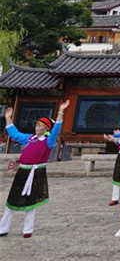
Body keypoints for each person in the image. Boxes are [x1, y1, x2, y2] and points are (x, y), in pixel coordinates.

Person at [0, 100, 70, 238]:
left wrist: (61, 111)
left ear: (46, 128)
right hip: (23, 171)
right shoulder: (29, 138)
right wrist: (8, 118)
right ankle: (3, 228)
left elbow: (56, 128)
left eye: (40, 125)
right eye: (37, 125)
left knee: (31, 201)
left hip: (36, 171)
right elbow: (15, 134)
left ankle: (27, 229)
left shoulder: (48, 141)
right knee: (12, 199)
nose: (37, 127)